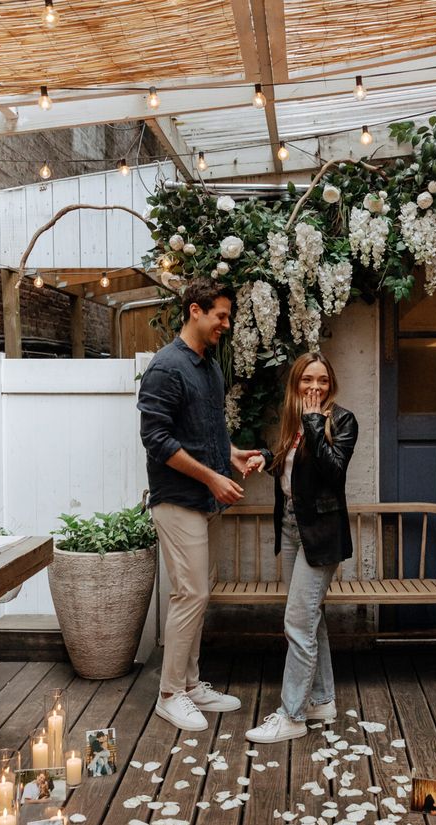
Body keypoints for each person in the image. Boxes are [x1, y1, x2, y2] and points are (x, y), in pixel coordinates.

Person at [138, 278, 262, 731]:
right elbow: (155, 440)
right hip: (178, 500)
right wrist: (212, 476)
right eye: (221, 316)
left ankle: (190, 684)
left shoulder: (208, 368)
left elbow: (209, 434)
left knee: (196, 593)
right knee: (191, 593)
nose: (225, 325)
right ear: (195, 310)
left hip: (205, 499)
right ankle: (169, 694)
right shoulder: (166, 368)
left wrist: (233, 455)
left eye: (228, 317)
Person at [243, 352, 358, 743]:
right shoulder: (292, 423)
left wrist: (313, 423)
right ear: (296, 384)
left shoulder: (342, 421)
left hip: (321, 533)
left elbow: (333, 471)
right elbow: (287, 467)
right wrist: (263, 457)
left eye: (322, 380)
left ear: (331, 384)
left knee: (297, 622)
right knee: (311, 618)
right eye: (307, 379)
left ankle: (292, 715)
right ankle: (322, 701)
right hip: (292, 528)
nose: (315, 387)